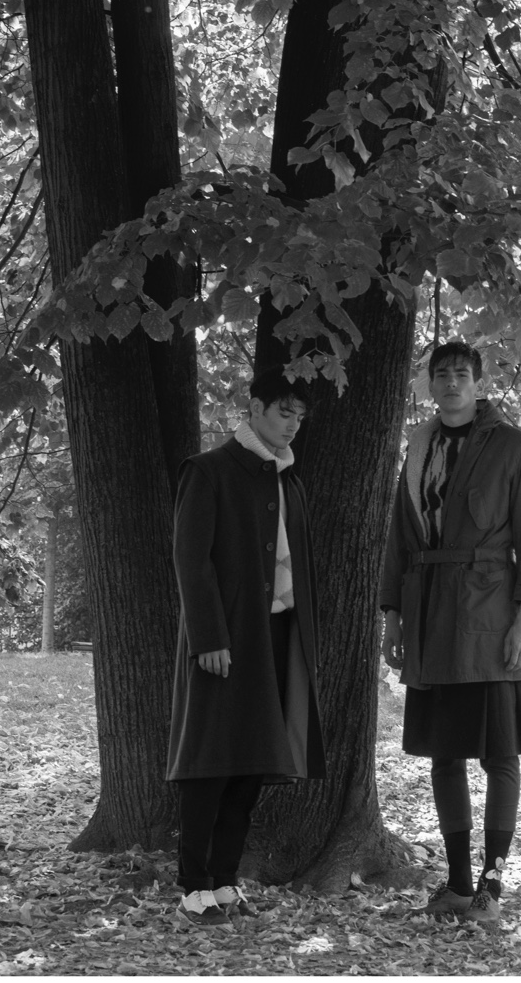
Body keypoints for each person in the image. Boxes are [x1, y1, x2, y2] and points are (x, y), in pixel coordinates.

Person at [380, 341, 521, 925]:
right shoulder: (420, 446)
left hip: (489, 615)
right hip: (427, 614)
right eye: (441, 374)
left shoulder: (514, 448)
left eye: (461, 373)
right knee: (444, 754)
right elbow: (400, 537)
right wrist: (392, 615)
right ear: (429, 384)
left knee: (499, 754)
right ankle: (455, 883)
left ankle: (492, 886)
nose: (451, 382)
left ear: (478, 383)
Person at [166, 366, 325, 926]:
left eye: (300, 417)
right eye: (285, 412)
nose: (293, 425)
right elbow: (191, 558)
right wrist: (209, 636)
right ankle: (193, 887)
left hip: (276, 638)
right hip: (225, 639)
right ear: (255, 408)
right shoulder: (207, 471)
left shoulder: (289, 480)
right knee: (210, 762)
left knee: (251, 765)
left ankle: (226, 883)